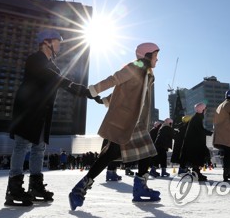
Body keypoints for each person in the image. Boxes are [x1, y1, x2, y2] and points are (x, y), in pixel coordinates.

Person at [69, 42, 161, 210]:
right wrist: (94, 90)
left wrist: (106, 100)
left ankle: (140, 188)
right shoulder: (135, 67)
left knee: (143, 152)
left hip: (137, 122)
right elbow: (115, 79)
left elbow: (123, 90)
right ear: (147, 55)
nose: (158, 59)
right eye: (156, 55)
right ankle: (79, 189)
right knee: (112, 154)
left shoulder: (147, 74)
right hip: (126, 120)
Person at [5, 29, 91, 206]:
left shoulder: (54, 66)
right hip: (28, 109)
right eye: (57, 41)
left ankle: (35, 186)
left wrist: (82, 91)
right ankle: (13, 189)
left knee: (39, 147)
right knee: (22, 145)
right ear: (46, 42)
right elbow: (50, 77)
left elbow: (55, 79)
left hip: (43, 112)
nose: (60, 45)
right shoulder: (34, 59)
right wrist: (74, 86)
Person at [180, 102, 212, 181]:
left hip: (193, 142)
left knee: (197, 157)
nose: (206, 111)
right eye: (205, 110)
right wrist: (210, 133)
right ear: (202, 110)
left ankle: (196, 172)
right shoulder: (197, 118)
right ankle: (196, 173)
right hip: (194, 143)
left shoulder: (197, 117)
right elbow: (200, 130)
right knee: (197, 157)